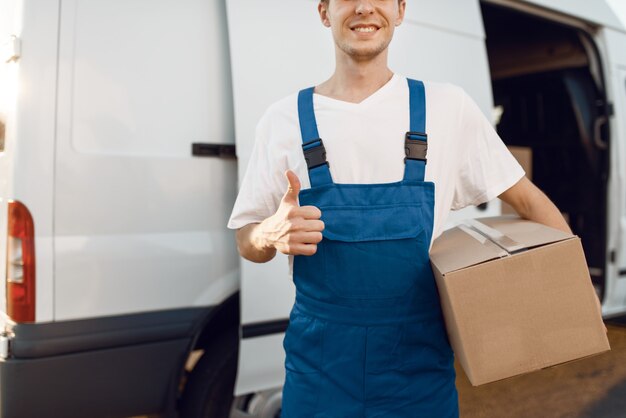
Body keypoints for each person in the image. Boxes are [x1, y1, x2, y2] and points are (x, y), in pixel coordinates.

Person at [227, 0, 572, 416]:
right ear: (324, 12)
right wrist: (269, 233)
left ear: (401, 10)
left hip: (418, 377)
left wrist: (566, 299)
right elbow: (247, 238)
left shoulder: (448, 108)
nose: (365, 8)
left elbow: (530, 201)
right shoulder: (282, 119)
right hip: (318, 375)